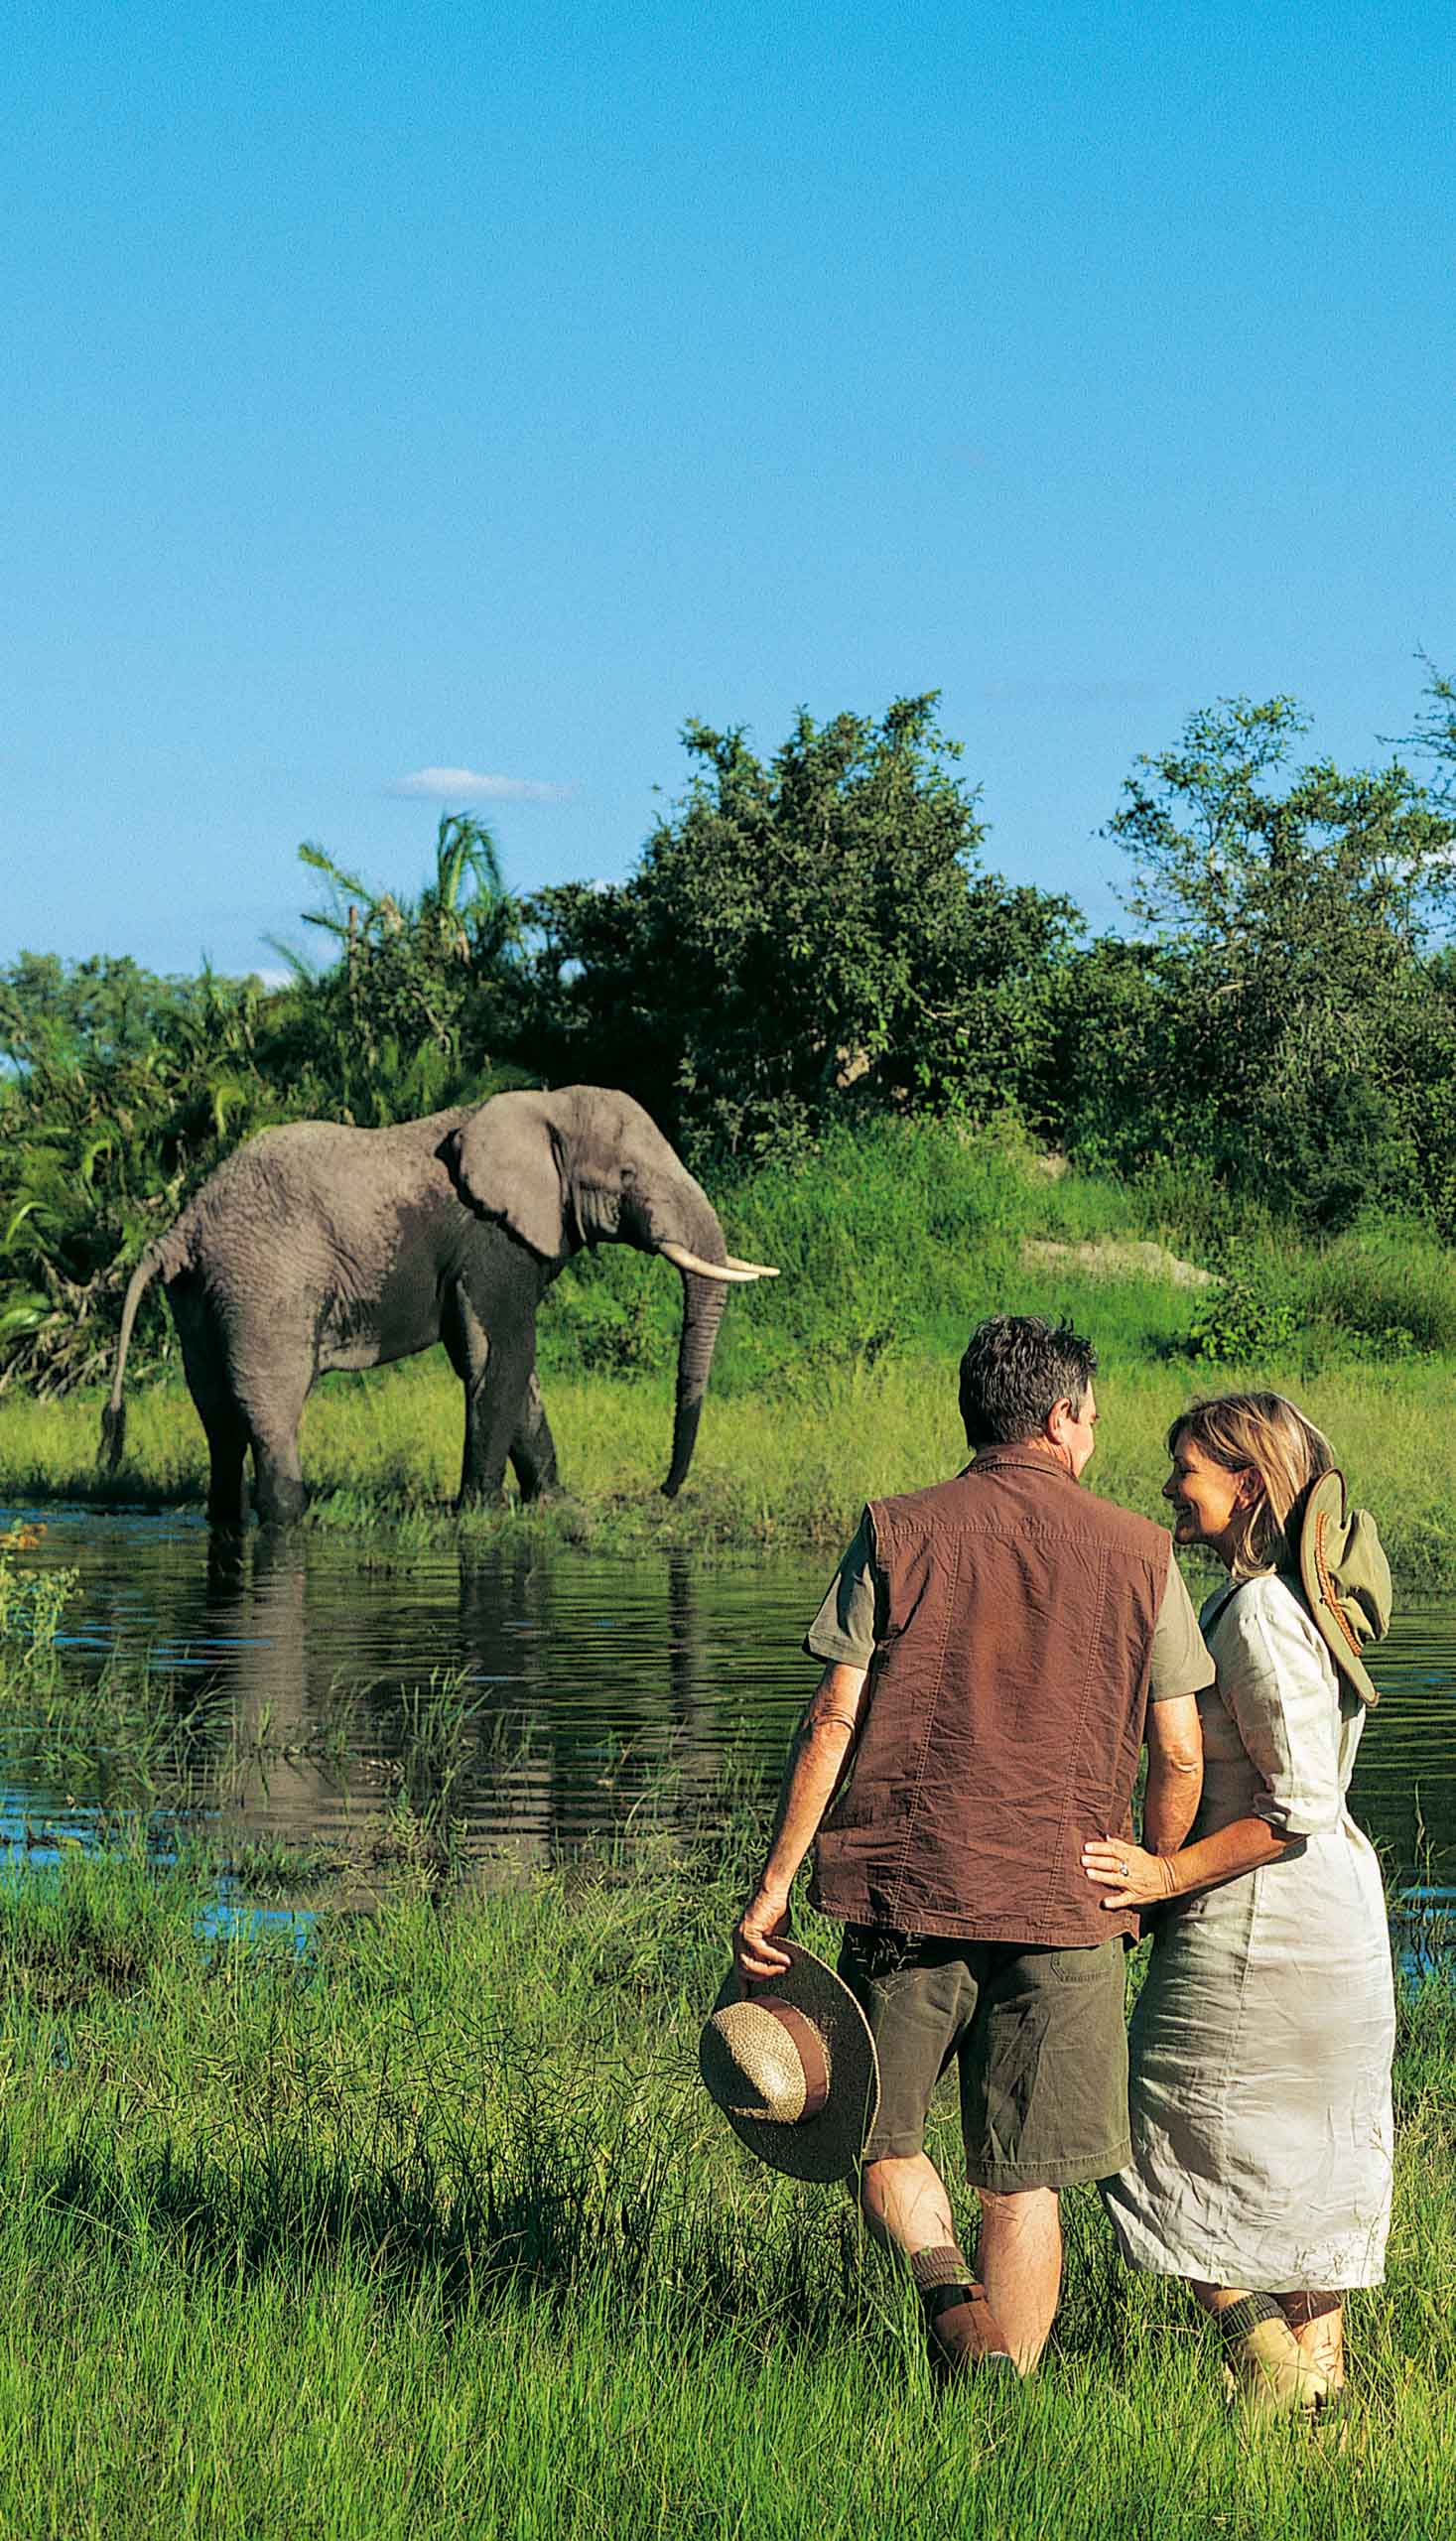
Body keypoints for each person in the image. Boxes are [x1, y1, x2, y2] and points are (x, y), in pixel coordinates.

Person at [731, 1315, 1210, 2378]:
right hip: (1073, 1900)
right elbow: (1178, 1751)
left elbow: (831, 1718)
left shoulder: (897, 1529)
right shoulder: (1144, 1552)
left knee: (874, 2135)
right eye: (1090, 1420)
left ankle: (952, 2301)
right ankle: (1004, 2392)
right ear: (1058, 1417)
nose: (1093, 1441)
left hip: (911, 1891)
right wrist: (1151, 1883)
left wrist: (773, 1887)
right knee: (1025, 2176)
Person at [1084, 1392, 1394, 2420]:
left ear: (1246, 1484)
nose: (1170, 1484)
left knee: (1126, 2131)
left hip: (1267, 1935)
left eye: (1188, 1470)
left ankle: (1257, 2350)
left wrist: (1158, 1876)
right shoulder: (1299, 1599)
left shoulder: (1259, 1608)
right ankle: (1318, 2427)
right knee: (1303, 2191)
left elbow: (1297, 1802)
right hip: (1327, 1929)